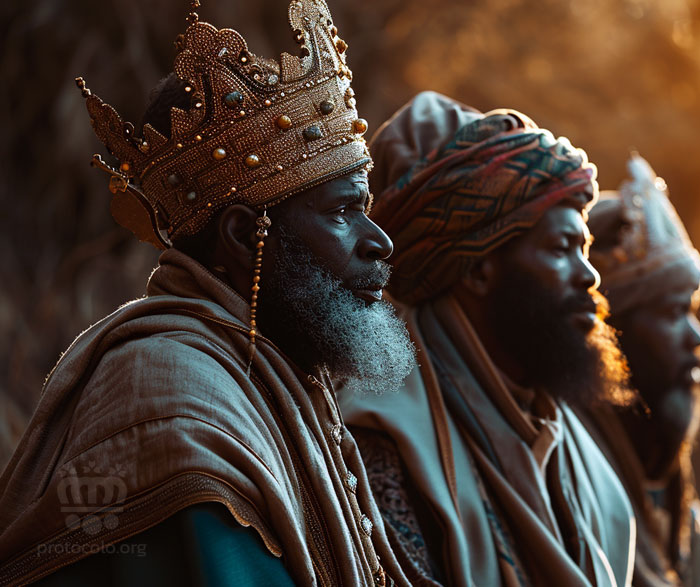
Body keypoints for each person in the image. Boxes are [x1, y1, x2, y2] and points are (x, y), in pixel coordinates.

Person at [0, 1, 416, 585]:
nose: (379, 242)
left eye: (364, 209)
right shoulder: (167, 395)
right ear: (245, 237)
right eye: (344, 212)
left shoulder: (275, 374)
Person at [339, 92, 637, 587]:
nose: (589, 276)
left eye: (585, 249)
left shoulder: (559, 433)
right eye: (563, 247)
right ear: (478, 269)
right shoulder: (380, 446)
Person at [583, 154, 700, 587]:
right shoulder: (572, 461)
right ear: (610, 331)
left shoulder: (668, 479)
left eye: (694, 311)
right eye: (673, 311)